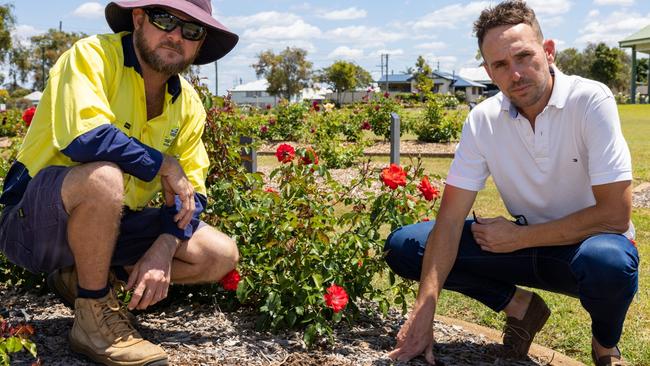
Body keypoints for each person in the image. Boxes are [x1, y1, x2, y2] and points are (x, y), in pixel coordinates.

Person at [384, 1, 638, 365]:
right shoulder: (483, 119)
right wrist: (426, 309)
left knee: (609, 262)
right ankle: (520, 306)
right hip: (524, 247)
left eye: (523, 56)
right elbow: (451, 219)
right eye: (500, 65)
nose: (515, 74)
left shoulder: (589, 99)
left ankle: (604, 344)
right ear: (488, 70)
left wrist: (519, 238)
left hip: (587, 248)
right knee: (405, 246)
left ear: (548, 51)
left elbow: (615, 215)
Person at [0, 0, 239, 365]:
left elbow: (196, 191)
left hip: (109, 223)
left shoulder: (188, 103)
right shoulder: (92, 56)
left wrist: (164, 244)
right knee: (103, 177)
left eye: (191, 31)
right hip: (33, 226)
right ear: (139, 19)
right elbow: (85, 138)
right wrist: (163, 164)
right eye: (165, 20)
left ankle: (82, 276)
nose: (176, 36)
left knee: (219, 253)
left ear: (199, 44)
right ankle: (93, 318)